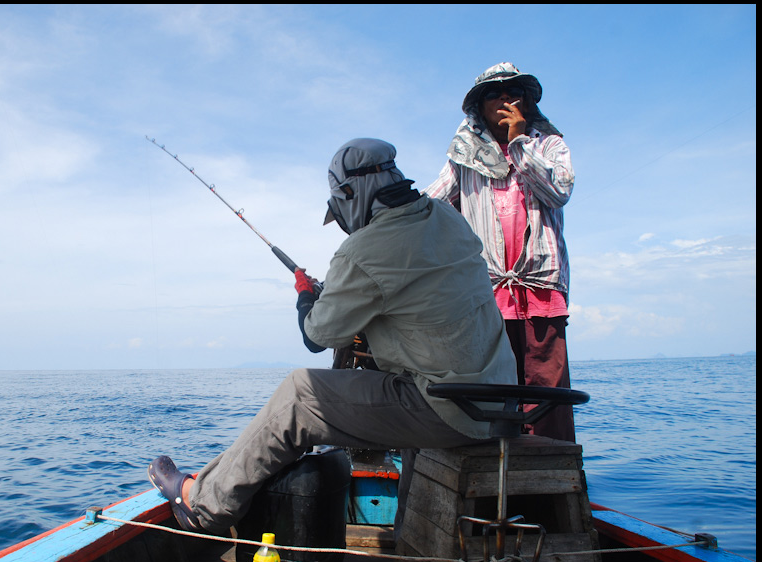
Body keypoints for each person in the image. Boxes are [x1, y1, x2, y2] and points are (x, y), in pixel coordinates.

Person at [148, 138, 517, 535]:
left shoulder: (363, 250)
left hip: (449, 409)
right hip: (500, 402)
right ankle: (410, 535)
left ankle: (205, 504)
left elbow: (317, 335)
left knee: (298, 395)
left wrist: (307, 295)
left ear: (348, 194)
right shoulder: (446, 216)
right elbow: (419, 296)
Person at [424, 62, 576, 442]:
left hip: (541, 286)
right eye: (495, 93)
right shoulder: (462, 159)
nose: (506, 98)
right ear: (480, 105)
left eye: (515, 92)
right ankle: (491, 467)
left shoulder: (548, 145)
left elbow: (557, 191)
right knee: (491, 384)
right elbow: (430, 206)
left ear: (526, 101)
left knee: (546, 387)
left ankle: (549, 471)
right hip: (487, 290)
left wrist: (519, 141)